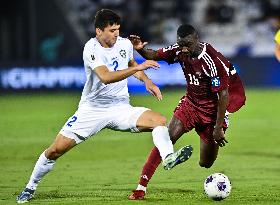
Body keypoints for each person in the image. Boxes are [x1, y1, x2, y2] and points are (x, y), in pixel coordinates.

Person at [16, 9, 193, 204]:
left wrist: (147, 81)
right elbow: (106, 77)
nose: (116, 34)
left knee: (159, 121)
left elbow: (132, 62)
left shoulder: (124, 44)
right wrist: (137, 68)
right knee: (55, 150)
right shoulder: (91, 48)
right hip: (92, 110)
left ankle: (168, 157)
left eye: (118, 29)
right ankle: (30, 187)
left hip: (120, 108)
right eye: (111, 30)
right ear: (98, 31)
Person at [128, 24, 246, 200]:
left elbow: (223, 95)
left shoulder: (211, 60)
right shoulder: (179, 50)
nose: (183, 48)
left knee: (205, 163)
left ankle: (207, 139)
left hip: (212, 113)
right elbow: (154, 54)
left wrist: (218, 127)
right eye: (180, 44)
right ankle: (140, 188)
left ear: (196, 39)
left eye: (187, 45)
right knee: (166, 139)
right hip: (190, 105)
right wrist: (140, 49)